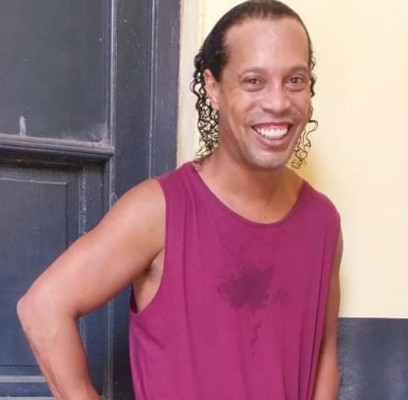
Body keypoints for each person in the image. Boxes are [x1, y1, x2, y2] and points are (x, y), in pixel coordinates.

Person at [17, 1, 343, 399]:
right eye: (253, 81)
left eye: (294, 80)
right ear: (214, 88)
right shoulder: (160, 210)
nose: (277, 102)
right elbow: (43, 307)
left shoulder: (323, 221)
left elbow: (324, 352)